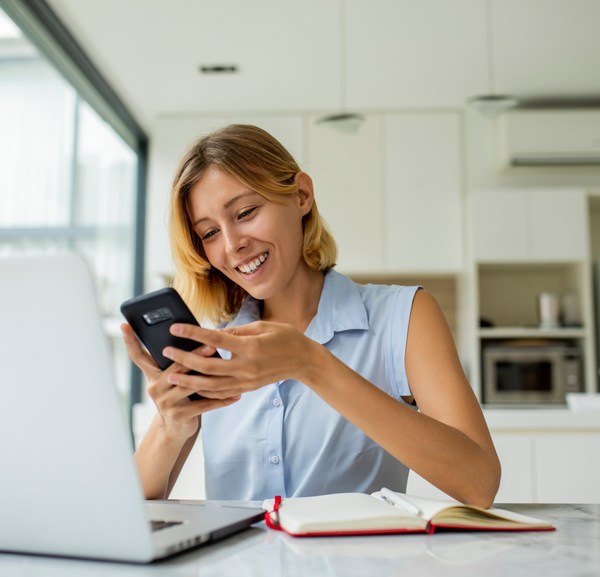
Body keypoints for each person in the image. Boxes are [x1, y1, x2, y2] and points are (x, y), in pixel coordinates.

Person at [122, 124, 501, 508]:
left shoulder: (404, 317)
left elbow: (478, 483)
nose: (233, 244)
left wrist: (311, 363)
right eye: (209, 233)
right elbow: (128, 514)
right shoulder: (209, 354)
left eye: (246, 212)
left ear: (301, 195)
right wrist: (170, 428)